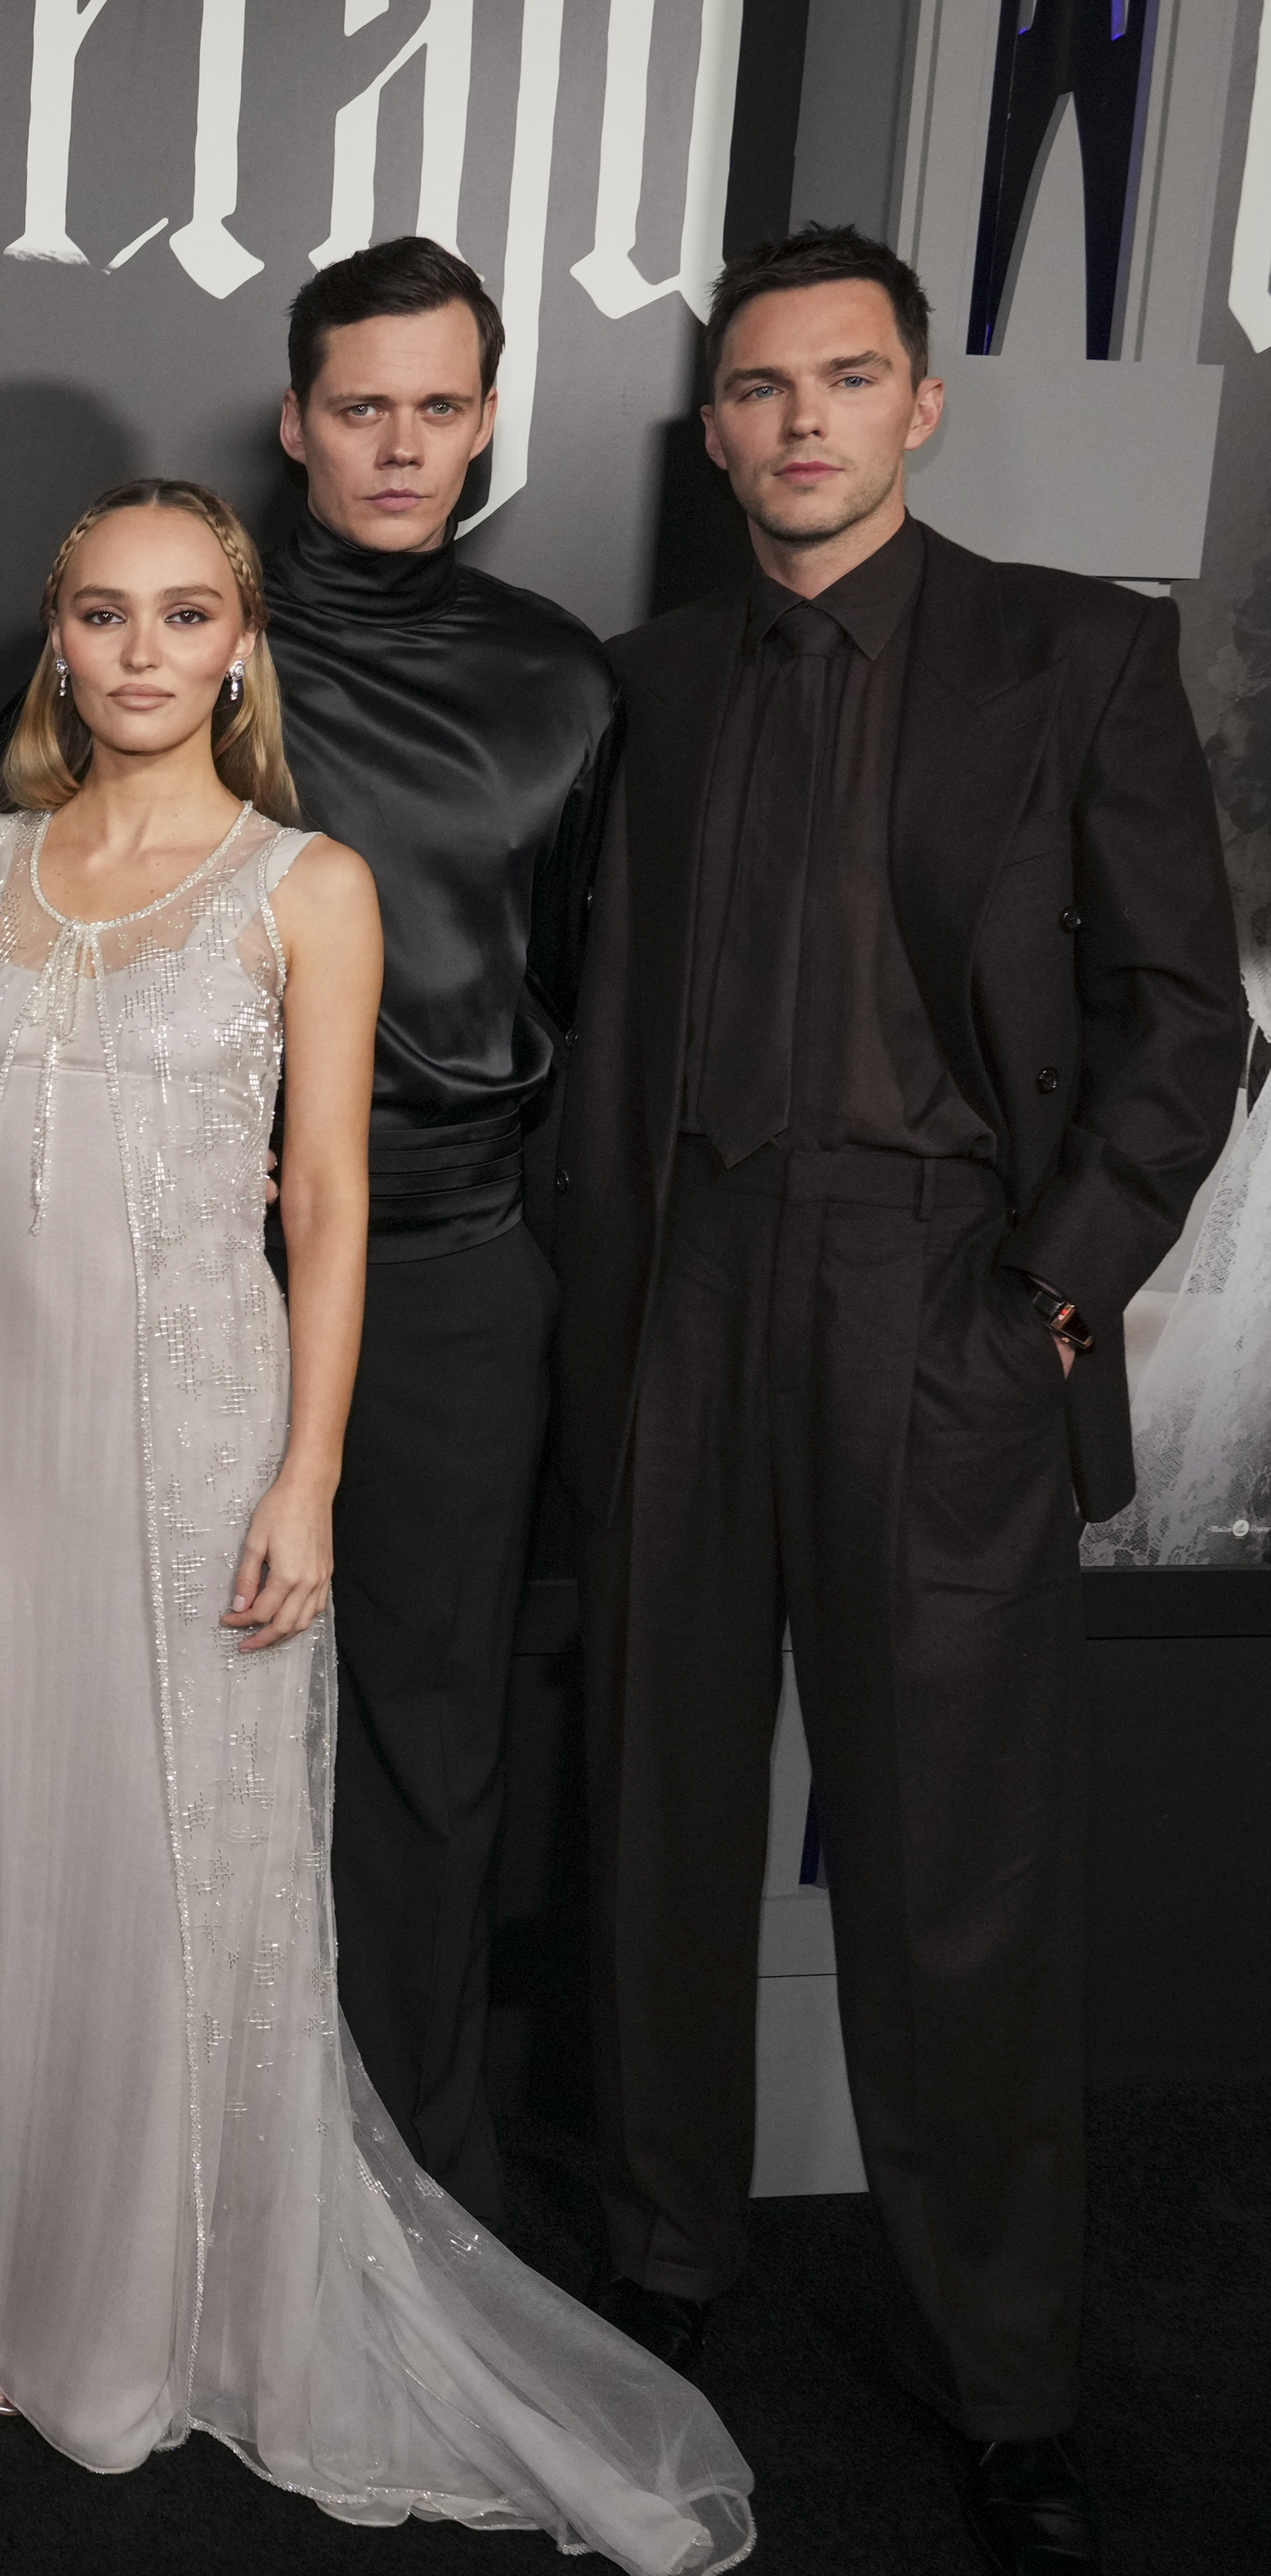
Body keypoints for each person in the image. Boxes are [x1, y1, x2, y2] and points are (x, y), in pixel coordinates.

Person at [0, 477, 753, 2569]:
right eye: (100, 612)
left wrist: (305, 1468)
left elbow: (326, 1200)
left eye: (182, 613)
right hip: (2, 1433)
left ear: (237, 645)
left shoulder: (309, 881)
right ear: (55, 637)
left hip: (206, 1422)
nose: (138, 650)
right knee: (42, 1841)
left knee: (200, 1866)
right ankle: (51, 2276)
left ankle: (196, 2292)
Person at [556, 226, 1241, 2576]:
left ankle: (1010, 2380)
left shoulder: (1076, 652)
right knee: (653, 1817)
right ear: (719, 427)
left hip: (939, 1297)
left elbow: (1183, 1017)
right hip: (682, 1291)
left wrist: (1047, 1289)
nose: (802, 421)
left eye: (845, 378)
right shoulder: (640, 684)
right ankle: (665, 2273)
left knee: (959, 1872)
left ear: (917, 404)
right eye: (759, 388)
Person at [250, 237, 615, 2223]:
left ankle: (406, 2192)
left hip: (459, 1267)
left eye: (441, 407)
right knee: (184, 1726)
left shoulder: (560, 678)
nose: (401, 446)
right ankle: (198, 2176)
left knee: (426, 1745)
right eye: (361, 406)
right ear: (292, 420)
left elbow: (578, 994)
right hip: (202, 1264)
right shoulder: (177, 629)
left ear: (486, 424)